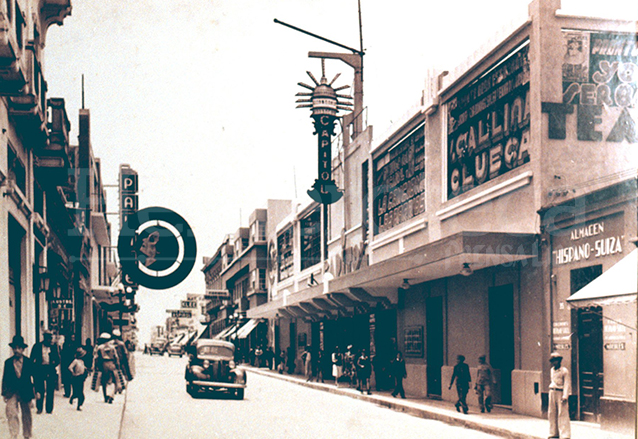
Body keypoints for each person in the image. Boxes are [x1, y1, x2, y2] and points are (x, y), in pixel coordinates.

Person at [2, 335, 38, 439]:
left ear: (23, 349)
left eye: (19, 348)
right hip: (12, 391)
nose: (16, 350)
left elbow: (35, 376)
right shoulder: (8, 363)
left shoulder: (28, 362)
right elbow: (5, 378)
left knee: (26, 414)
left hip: (25, 390)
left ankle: (27, 434)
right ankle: (14, 434)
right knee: (11, 412)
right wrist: (4, 393)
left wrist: (37, 390)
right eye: (15, 348)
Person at [30, 330, 61, 414]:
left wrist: (53, 363)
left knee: (50, 389)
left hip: (50, 369)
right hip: (39, 369)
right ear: (44, 338)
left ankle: (49, 408)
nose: (49, 340)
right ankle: (39, 407)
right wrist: (33, 370)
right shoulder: (37, 346)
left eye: (50, 338)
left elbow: (58, 359)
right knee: (40, 389)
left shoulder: (54, 347)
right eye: (48, 338)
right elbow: (32, 359)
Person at [548, 352, 571, 439]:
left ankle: (565, 435)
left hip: (560, 392)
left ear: (559, 361)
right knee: (552, 413)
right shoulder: (552, 370)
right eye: (553, 361)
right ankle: (553, 433)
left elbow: (567, 384)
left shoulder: (564, 371)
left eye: (556, 361)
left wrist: (565, 396)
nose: (554, 363)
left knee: (562, 413)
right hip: (552, 391)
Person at [93, 333, 120, 403]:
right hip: (111, 364)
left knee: (104, 381)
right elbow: (116, 357)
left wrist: (96, 367)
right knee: (112, 381)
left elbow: (96, 358)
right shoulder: (112, 347)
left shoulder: (100, 347)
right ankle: (111, 395)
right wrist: (117, 365)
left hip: (103, 364)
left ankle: (105, 397)